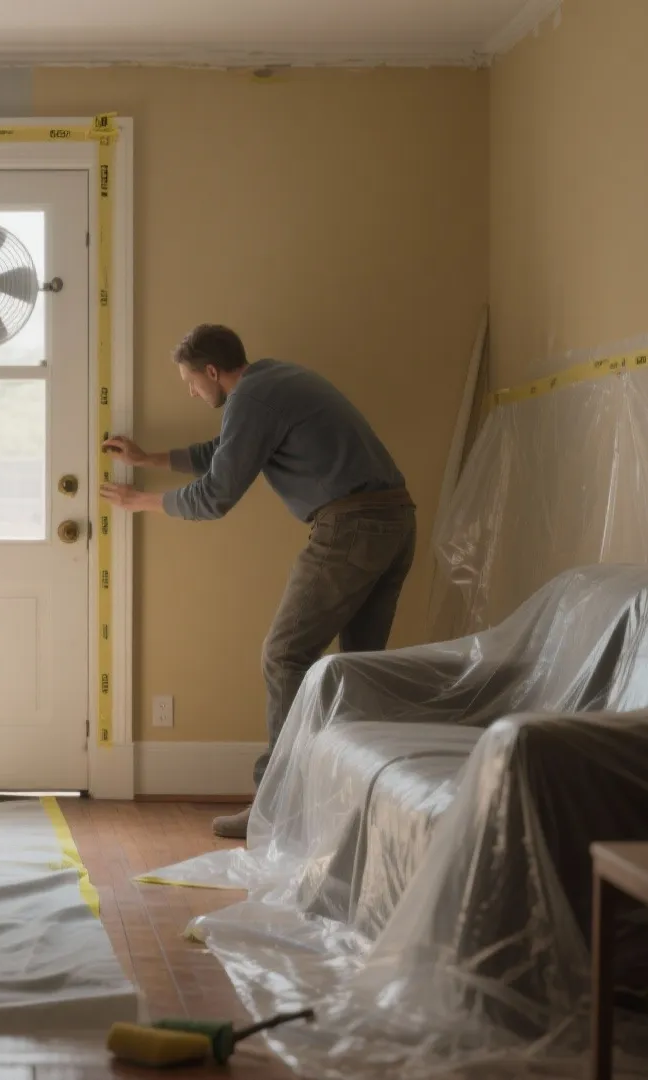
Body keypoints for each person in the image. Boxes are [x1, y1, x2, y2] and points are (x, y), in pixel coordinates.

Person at [100, 324, 414, 839]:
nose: (191, 392)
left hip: (352, 528)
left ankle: (276, 807)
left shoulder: (252, 397)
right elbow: (221, 451)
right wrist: (147, 460)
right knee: (357, 668)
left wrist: (140, 502)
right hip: (394, 522)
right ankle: (354, 804)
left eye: (191, 383)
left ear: (212, 371)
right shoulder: (272, 382)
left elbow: (215, 496)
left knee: (284, 655)